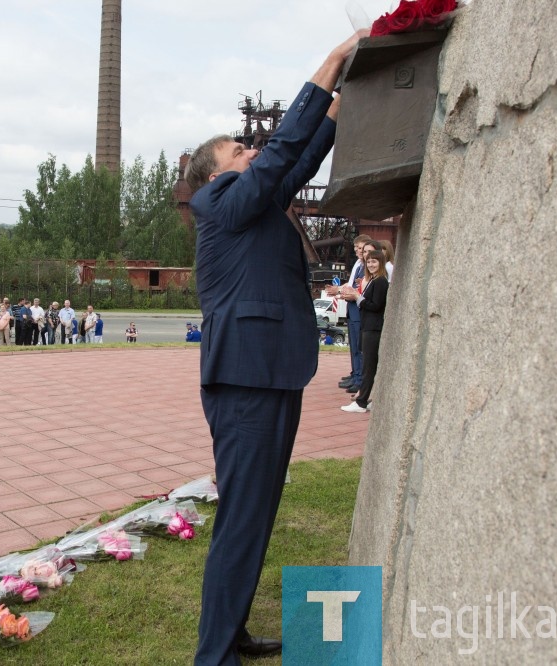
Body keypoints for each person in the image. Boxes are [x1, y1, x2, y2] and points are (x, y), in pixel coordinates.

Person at [184, 32, 361, 665]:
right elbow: (283, 149)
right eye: (239, 150)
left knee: (254, 517)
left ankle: (229, 635)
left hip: (268, 373)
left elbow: (299, 158)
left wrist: (340, 100)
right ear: (214, 173)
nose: (252, 150)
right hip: (246, 381)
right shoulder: (219, 201)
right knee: (241, 519)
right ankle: (215, 656)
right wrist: (335, 60)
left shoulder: (253, 203)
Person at [342, 249, 389, 413]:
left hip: (373, 327)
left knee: (368, 366)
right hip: (368, 326)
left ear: (380, 263)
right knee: (369, 365)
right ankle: (366, 398)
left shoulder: (381, 281)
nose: (371, 264)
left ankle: (361, 401)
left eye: (374, 261)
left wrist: (357, 297)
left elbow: (375, 305)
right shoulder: (373, 280)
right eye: (369, 262)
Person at [327, 234, 372, 395]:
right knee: (354, 346)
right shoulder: (358, 265)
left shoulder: (367, 266)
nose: (358, 251)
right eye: (357, 248)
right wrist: (339, 291)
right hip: (352, 308)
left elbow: (359, 288)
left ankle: (360, 379)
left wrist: (341, 291)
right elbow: (351, 284)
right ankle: (355, 375)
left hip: (359, 308)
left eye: (361, 249)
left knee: (360, 347)